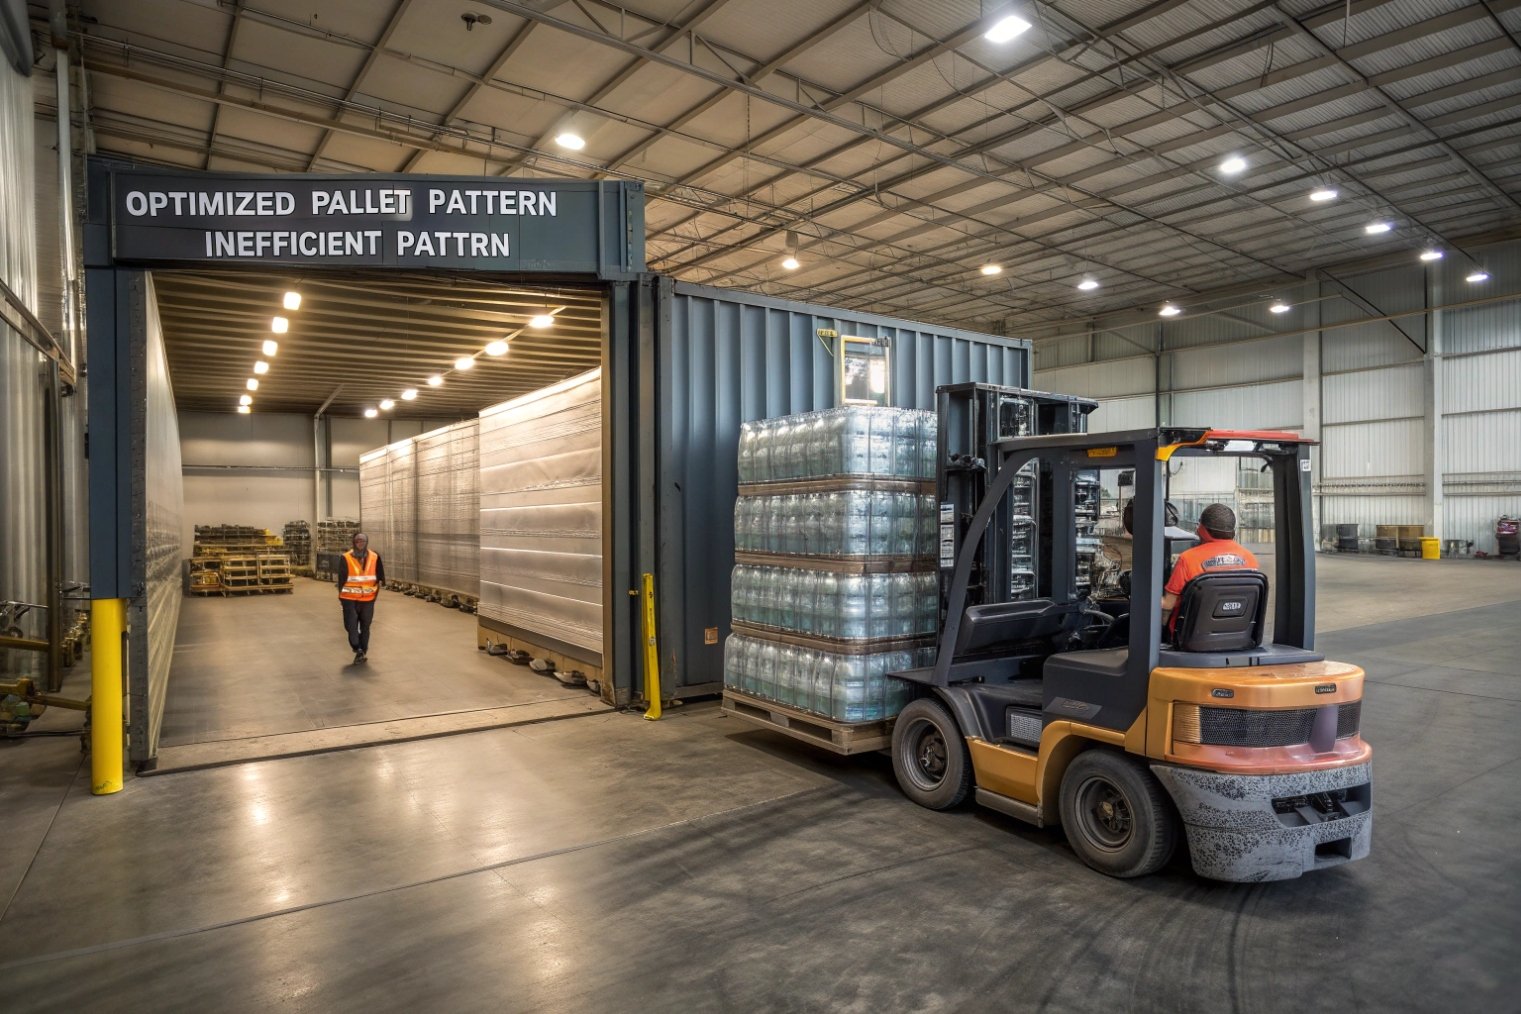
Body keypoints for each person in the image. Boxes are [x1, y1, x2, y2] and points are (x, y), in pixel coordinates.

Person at [1160, 503, 1259, 638]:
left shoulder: (1188, 559)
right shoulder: (1250, 559)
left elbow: (1167, 605)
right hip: (1237, 637)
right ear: (1232, 531)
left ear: (1203, 529)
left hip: (1191, 640)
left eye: (1199, 523)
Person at [336, 532, 384, 664]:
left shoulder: (375, 557)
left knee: (365, 626)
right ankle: (356, 647)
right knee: (351, 626)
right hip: (349, 599)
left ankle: (362, 650)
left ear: (366, 542)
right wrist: (341, 599)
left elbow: (379, 578)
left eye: (362, 540)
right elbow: (341, 581)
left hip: (368, 600)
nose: (360, 543)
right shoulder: (346, 558)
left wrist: (374, 597)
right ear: (353, 542)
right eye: (357, 541)